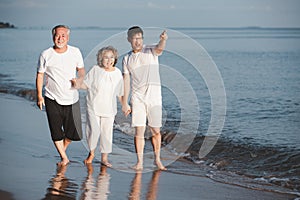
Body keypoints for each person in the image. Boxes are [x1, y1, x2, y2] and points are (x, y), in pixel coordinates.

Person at [36, 25, 85, 166]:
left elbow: (81, 71)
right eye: (57, 35)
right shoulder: (46, 54)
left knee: (73, 133)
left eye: (63, 35)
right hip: (52, 97)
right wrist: (40, 96)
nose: (60, 38)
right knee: (56, 130)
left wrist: (80, 80)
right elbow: (40, 75)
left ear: (68, 37)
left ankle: (62, 150)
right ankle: (64, 158)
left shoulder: (75, 52)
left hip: (72, 97)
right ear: (53, 37)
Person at [122, 26, 168, 170]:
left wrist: (163, 40)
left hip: (154, 97)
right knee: (139, 131)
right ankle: (139, 162)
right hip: (137, 98)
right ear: (129, 40)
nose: (138, 41)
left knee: (155, 130)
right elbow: (126, 81)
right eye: (135, 38)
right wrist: (124, 102)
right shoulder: (127, 58)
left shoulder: (150, 50)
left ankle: (157, 160)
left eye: (140, 38)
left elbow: (160, 49)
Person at [72, 46, 123, 167]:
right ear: (101, 59)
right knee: (94, 130)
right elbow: (86, 85)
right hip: (93, 106)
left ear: (115, 59)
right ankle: (92, 153)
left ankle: (104, 158)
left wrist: (125, 105)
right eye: (106, 57)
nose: (109, 60)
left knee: (106, 133)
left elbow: (120, 93)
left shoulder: (117, 73)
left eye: (111, 57)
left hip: (109, 108)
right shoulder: (95, 70)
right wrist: (76, 83)